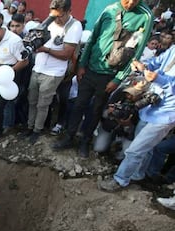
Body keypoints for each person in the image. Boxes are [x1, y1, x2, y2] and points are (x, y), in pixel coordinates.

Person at [53, 0, 153, 158]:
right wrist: (82, 64)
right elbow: (93, 38)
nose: (131, 2)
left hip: (109, 76)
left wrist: (118, 79)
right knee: (79, 104)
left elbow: (136, 54)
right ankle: (69, 136)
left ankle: (85, 141)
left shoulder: (145, 16)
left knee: (96, 110)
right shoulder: (110, 10)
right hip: (90, 70)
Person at [98, 45, 175, 192]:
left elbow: (169, 84)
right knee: (146, 148)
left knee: (135, 150)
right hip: (150, 105)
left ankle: (120, 180)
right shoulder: (173, 49)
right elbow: (157, 61)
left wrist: (159, 79)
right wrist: (143, 65)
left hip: (167, 114)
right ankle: (137, 175)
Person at [23, 0, 82, 144]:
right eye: (54, 15)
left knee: (43, 104)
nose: (56, 19)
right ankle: (29, 127)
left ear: (69, 11)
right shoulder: (49, 20)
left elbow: (67, 54)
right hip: (38, 68)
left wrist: (45, 49)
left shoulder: (74, 26)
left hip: (54, 72)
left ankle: (37, 130)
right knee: (32, 100)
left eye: (60, 16)